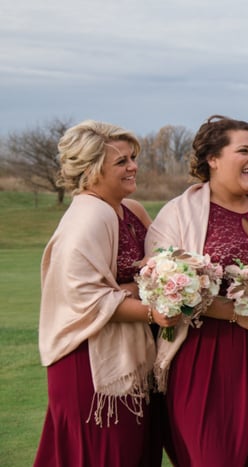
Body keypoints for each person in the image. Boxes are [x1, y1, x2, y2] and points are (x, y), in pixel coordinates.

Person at [145, 115, 248, 466]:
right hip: (210, 356)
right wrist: (238, 314)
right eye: (244, 151)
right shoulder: (177, 214)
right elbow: (161, 287)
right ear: (213, 159)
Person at [35, 120, 174, 466]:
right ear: (92, 170)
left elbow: (156, 268)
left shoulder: (131, 210)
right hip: (91, 364)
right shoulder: (88, 218)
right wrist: (152, 309)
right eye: (122, 162)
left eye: (132, 158)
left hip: (130, 359)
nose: (133, 167)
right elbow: (84, 296)